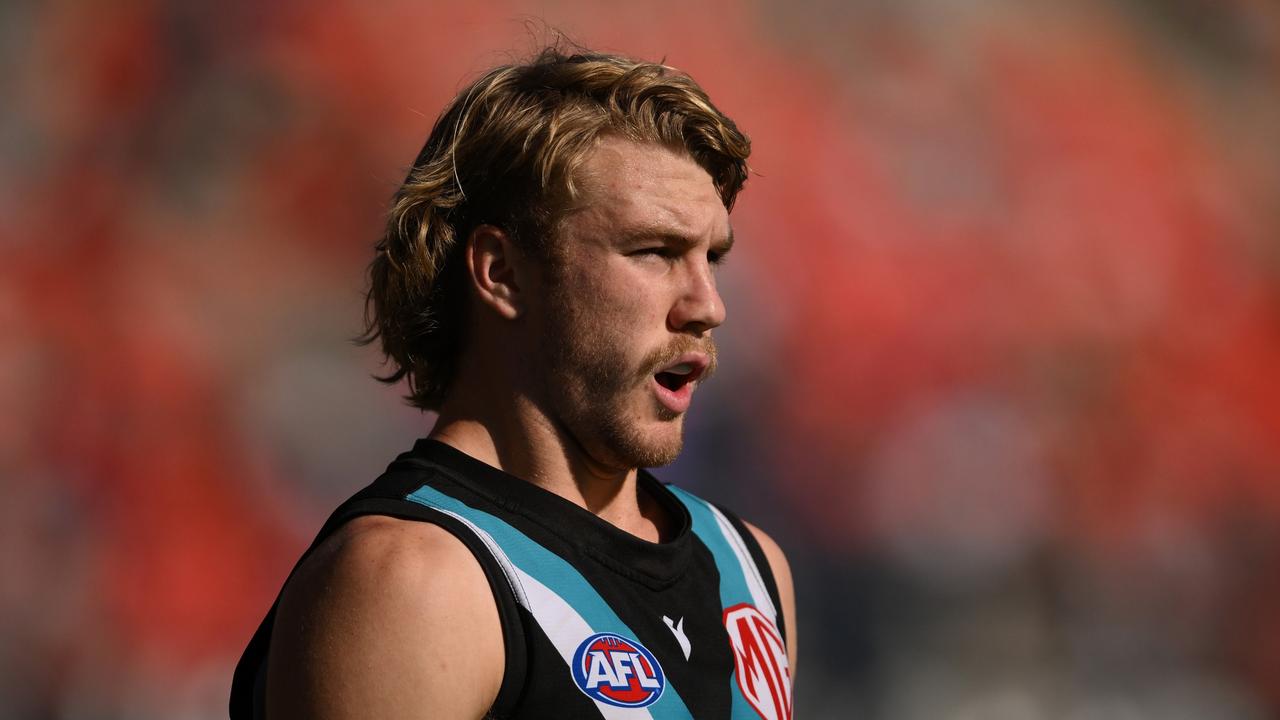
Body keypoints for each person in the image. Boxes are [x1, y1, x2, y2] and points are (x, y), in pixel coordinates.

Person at [230, 45, 796, 720]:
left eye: (712, 258)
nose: (709, 305)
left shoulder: (749, 569)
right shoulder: (413, 583)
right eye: (654, 251)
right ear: (501, 272)